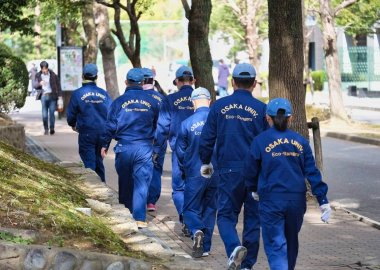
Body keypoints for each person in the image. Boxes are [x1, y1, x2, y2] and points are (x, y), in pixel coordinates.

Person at [241, 98, 331, 270]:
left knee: (276, 246)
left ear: (268, 118)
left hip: (270, 200)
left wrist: (253, 188)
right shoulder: (301, 142)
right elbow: (312, 172)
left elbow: (250, 170)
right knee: (291, 242)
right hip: (296, 201)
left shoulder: (260, 141)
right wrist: (323, 200)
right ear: (290, 118)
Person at [199, 63, 269, 270]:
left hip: (228, 171)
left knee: (226, 217)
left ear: (232, 82)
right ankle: (247, 265)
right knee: (253, 220)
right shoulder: (262, 110)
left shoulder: (219, 106)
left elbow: (206, 139)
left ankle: (234, 248)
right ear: (254, 84)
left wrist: (205, 161)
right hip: (255, 173)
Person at [101, 68, 159, 229]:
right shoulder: (153, 102)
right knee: (141, 183)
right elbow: (157, 125)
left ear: (126, 82)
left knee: (125, 182)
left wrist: (104, 144)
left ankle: (126, 214)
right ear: (142, 82)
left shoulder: (118, 102)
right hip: (144, 147)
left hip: (124, 147)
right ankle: (140, 218)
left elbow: (110, 125)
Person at [176, 87, 218, 258]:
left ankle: (196, 229)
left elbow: (180, 151)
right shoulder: (219, 123)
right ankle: (205, 247)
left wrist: (184, 169)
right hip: (216, 171)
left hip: (195, 170)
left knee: (190, 209)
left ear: (193, 102)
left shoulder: (186, 123)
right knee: (210, 209)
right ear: (209, 101)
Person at [153, 66, 195, 234]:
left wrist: (157, 149)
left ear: (177, 81)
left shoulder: (169, 100)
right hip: (200, 150)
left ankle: (185, 216)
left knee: (179, 188)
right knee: (197, 186)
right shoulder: (202, 99)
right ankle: (195, 220)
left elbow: (162, 127)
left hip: (179, 150)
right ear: (193, 81)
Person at [66, 63, 112, 182]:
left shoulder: (77, 93)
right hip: (102, 132)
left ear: (82, 75)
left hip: (86, 132)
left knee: (89, 163)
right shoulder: (104, 93)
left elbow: (71, 114)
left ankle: (92, 190)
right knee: (99, 162)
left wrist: (73, 124)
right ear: (96, 77)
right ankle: (103, 187)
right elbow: (111, 113)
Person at [141, 67, 167, 212]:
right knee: (156, 169)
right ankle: (151, 202)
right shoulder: (161, 98)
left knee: (140, 168)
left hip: (142, 139)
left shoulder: (137, 98)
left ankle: (140, 198)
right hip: (159, 140)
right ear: (153, 80)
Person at [33, 61, 62, 135]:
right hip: (43, 96)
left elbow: (58, 86)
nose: (44, 70)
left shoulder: (53, 75)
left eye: (45, 69)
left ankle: (52, 128)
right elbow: (35, 85)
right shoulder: (38, 75)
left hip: (52, 96)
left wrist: (60, 96)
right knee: (44, 115)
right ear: (41, 69)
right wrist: (40, 83)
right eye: (43, 69)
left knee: (52, 113)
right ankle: (46, 129)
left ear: (47, 68)